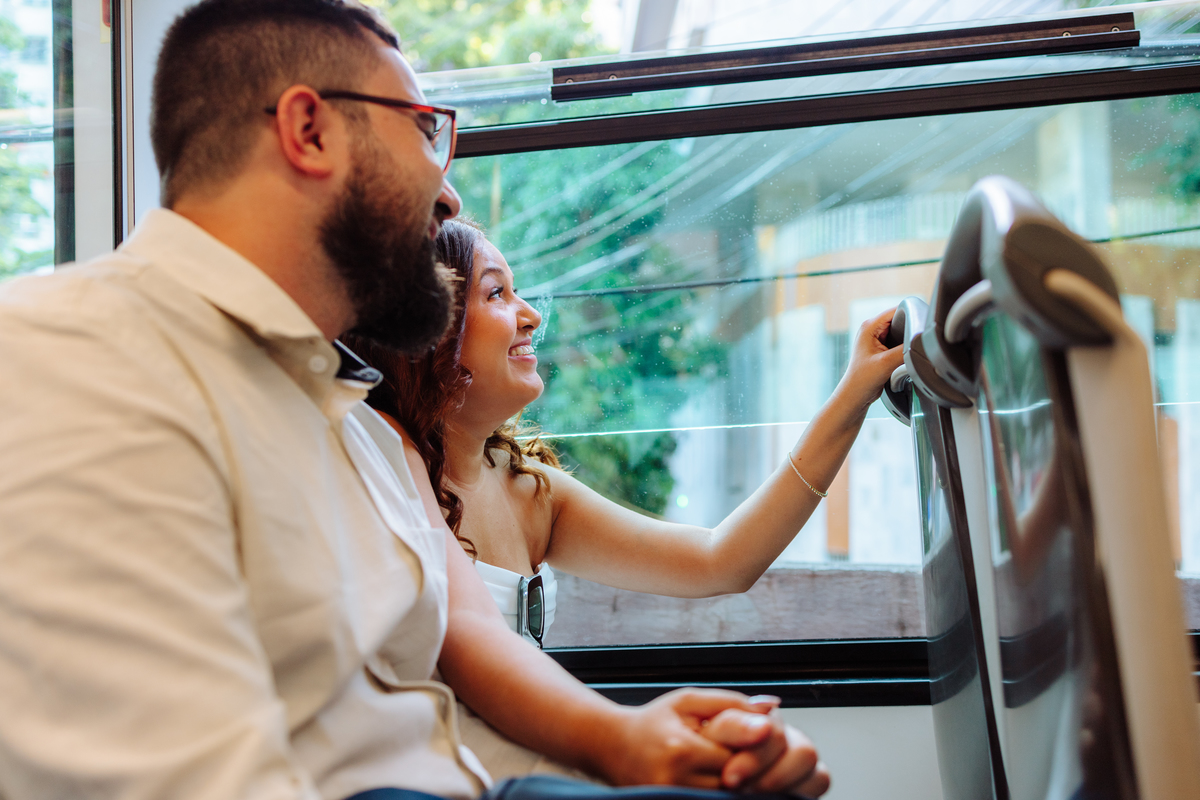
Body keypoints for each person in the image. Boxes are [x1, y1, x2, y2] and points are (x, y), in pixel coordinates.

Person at [0, 1, 831, 798]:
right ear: (310, 130)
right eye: (423, 130)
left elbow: (466, 633)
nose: (449, 197)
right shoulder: (69, 356)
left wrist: (630, 743)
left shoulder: (355, 429)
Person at [344, 220, 905, 643]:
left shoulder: (529, 491)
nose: (530, 315)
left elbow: (721, 561)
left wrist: (852, 397)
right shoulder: (386, 472)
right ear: (429, 334)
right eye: (496, 294)